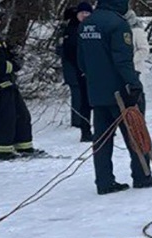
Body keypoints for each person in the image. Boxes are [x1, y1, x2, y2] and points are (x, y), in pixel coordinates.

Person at [79, 0, 152, 194]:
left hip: (96, 91)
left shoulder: (86, 24)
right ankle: (142, 175)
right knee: (135, 132)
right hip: (120, 91)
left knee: (101, 139)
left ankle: (104, 180)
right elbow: (122, 60)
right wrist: (133, 83)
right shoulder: (118, 24)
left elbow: (81, 61)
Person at [0, 5, 44, 161]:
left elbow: (4, 59)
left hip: (8, 83)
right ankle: (4, 151)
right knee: (4, 119)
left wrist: (14, 58)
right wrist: (11, 65)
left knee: (22, 115)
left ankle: (24, 147)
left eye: (0, 19)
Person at [58, 3, 93, 140]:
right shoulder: (70, 29)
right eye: (82, 13)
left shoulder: (90, 28)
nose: (84, 15)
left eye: (87, 13)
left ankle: (84, 124)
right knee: (80, 97)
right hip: (75, 69)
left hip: (88, 70)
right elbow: (68, 51)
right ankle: (80, 124)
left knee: (86, 98)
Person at [124, 9, 149, 109]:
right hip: (122, 71)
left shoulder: (137, 30)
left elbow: (144, 50)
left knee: (137, 98)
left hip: (136, 69)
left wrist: (129, 60)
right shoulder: (116, 30)